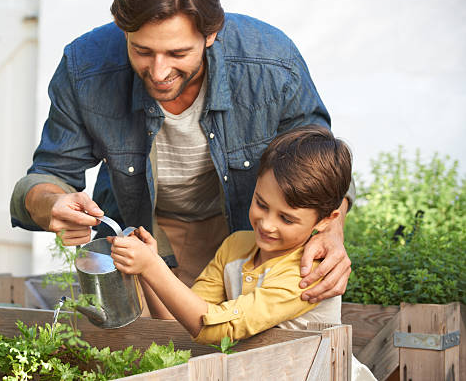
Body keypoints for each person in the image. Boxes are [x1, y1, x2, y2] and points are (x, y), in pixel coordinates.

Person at [10, 0, 353, 304]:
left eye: (177, 54)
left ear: (211, 35)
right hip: (141, 233)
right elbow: (47, 176)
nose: (159, 72)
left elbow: (320, 163)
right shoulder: (85, 67)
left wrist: (332, 228)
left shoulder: (271, 64)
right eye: (142, 51)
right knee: (145, 352)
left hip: (245, 233)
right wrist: (52, 203)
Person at [108, 125, 376, 380]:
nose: (267, 224)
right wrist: (148, 268)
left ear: (326, 220)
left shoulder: (310, 271)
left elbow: (217, 328)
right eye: (261, 203)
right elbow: (181, 321)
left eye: (287, 219)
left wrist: (152, 267)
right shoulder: (236, 246)